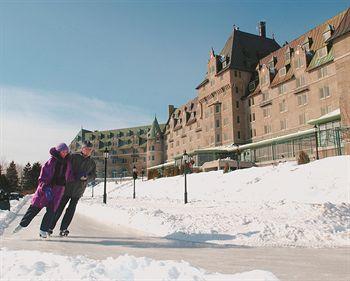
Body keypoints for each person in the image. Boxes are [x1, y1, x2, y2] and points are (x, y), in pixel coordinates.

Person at [13, 143, 72, 238]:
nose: (65, 153)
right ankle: (22, 225)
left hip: (58, 191)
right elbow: (42, 178)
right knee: (34, 208)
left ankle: (43, 231)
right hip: (46, 190)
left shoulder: (68, 163)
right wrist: (45, 187)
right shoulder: (51, 162)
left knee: (51, 212)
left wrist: (79, 176)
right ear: (58, 151)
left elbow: (69, 176)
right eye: (63, 151)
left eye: (66, 151)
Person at [50, 140, 96, 236]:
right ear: (82, 149)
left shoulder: (92, 162)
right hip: (67, 187)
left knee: (71, 210)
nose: (87, 151)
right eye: (85, 149)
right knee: (59, 208)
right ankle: (50, 227)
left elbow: (94, 175)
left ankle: (63, 228)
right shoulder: (73, 157)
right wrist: (73, 175)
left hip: (79, 190)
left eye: (89, 149)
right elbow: (64, 166)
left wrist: (87, 177)